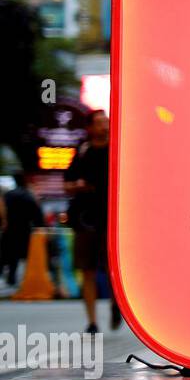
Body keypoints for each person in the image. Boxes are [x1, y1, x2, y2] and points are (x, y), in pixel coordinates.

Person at [66, 110, 115, 332]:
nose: (104, 125)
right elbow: (66, 184)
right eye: (99, 122)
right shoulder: (82, 152)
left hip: (111, 218)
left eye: (106, 121)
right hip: (85, 219)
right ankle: (92, 321)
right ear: (90, 128)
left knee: (113, 268)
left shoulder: (117, 150)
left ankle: (118, 305)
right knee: (87, 269)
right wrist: (79, 186)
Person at [1, 173, 44, 287]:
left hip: (9, 229)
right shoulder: (28, 196)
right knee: (24, 256)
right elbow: (37, 215)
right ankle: (23, 280)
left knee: (9, 254)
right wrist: (39, 226)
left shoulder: (8, 195)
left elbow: (2, 211)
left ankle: (10, 278)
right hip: (24, 229)